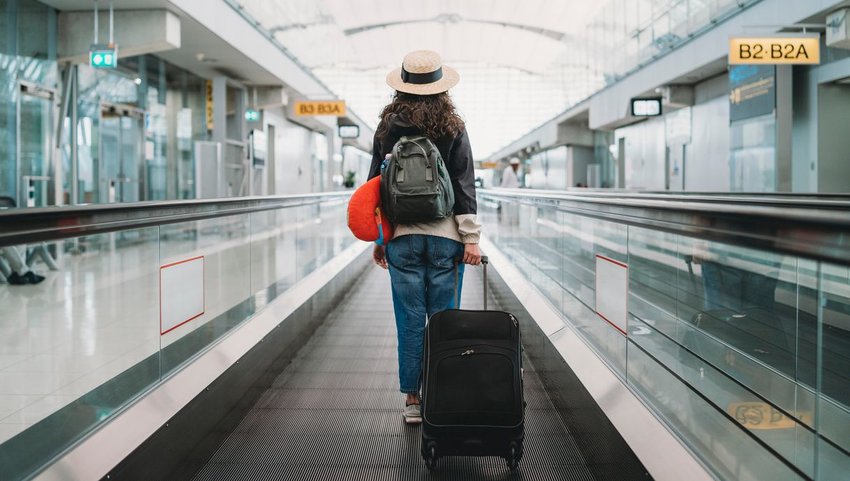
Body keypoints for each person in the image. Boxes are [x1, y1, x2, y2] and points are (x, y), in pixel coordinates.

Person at [368, 50, 482, 425]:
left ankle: (413, 400)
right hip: (446, 240)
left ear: (401, 89)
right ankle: (444, 394)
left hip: (402, 239)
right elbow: (465, 185)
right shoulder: (452, 127)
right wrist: (470, 239)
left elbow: (375, 188)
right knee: (444, 320)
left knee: (409, 319)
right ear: (441, 89)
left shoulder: (387, 129)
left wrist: (380, 238)